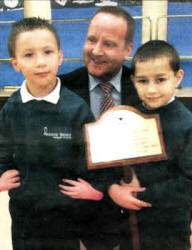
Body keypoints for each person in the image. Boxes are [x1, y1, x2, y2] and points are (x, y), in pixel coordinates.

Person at [0, 17, 118, 250]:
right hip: (25, 214)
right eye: (29, 55)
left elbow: (95, 158)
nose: (40, 62)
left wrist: (95, 190)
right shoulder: (10, 109)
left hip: (66, 214)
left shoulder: (77, 108)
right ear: (15, 63)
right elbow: (2, 151)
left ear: (60, 57)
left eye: (47, 52)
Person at [59, 6, 142, 250]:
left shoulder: (144, 87)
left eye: (108, 43)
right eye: (91, 40)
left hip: (135, 216)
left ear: (128, 50)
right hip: (79, 218)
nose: (96, 51)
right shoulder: (62, 89)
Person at [109, 40, 192, 250]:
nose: (151, 89)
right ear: (133, 81)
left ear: (178, 77)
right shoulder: (126, 116)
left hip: (169, 225)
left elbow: (188, 182)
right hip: (130, 221)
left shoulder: (187, 124)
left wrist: (140, 194)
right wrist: (114, 189)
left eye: (161, 80)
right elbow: (111, 161)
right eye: (143, 81)